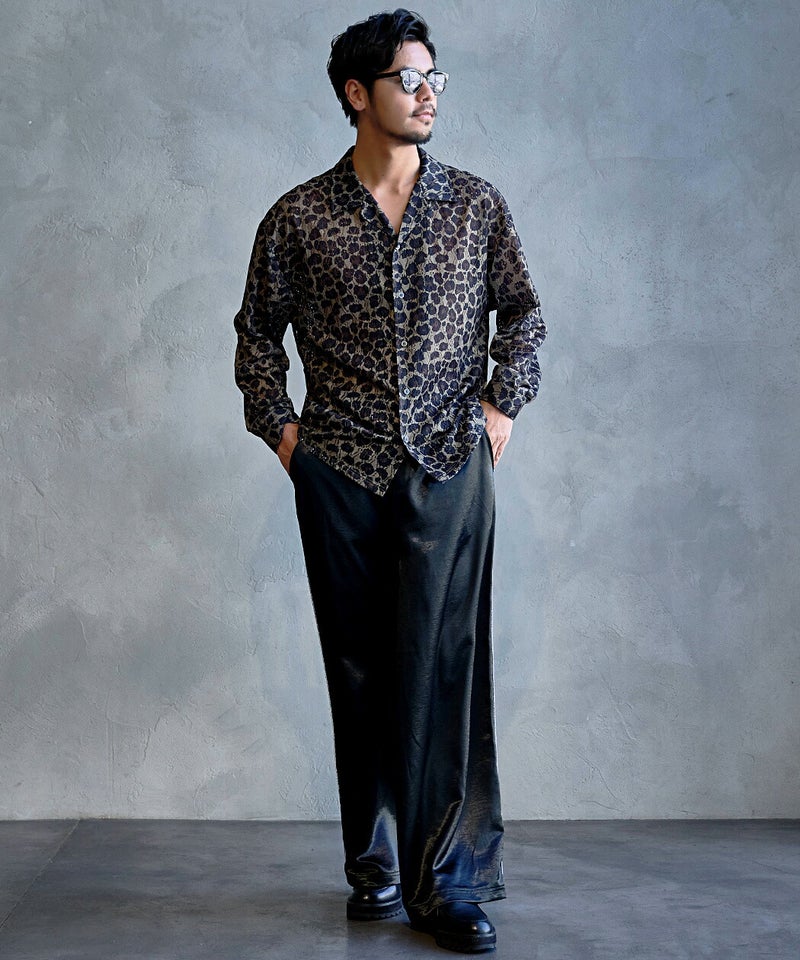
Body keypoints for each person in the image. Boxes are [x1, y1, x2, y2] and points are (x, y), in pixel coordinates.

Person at [233, 9, 545, 953]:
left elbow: (524, 316)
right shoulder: (299, 216)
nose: (427, 93)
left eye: (434, 77)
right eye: (409, 79)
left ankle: (446, 882)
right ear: (356, 93)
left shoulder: (475, 206)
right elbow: (256, 335)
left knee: (442, 666)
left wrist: (501, 406)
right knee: (359, 665)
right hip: (339, 466)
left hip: (450, 464)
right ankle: (373, 864)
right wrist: (285, 436)